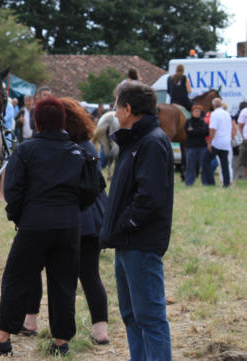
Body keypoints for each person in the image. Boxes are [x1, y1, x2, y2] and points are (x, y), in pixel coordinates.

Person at [0, 97, 88, 357]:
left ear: (37, 121)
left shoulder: (26, 150)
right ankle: (61, 342)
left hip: (35, 223)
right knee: (64, 283)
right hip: (68, 224)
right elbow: (91, 188)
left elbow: (13, 190)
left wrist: (19, 217)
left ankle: (3, 339)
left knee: (16, 278)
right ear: (62, 121)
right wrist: (72, 209)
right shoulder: (77, 151)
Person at [21, 98, 110, 345]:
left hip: (61, 218)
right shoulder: (87, 146)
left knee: (37, 269)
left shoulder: (56, 148)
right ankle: (100, 330)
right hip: (91, 219)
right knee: (90, 275)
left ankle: (30, 321)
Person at [100, 80, 174, 361]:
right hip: (127, 243)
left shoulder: (151, 142)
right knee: (132, 315)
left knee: (150, 317)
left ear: (128, 108)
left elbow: (150, 197)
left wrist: (125, 225)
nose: (114, 111)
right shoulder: (136, 141)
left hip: (140, 243)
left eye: (116, 105)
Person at [202, 98, 233, 187]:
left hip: (217, 142)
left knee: (205, 161)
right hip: (226, 142)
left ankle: (210, 182)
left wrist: (210, 141)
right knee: (224, 164)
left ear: (213, 105)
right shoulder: (227, 113)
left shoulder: (214, 114)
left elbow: (213, 129)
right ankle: (226, 183)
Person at [184, 105, 210, 186]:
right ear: (192, 112)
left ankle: (205, 182)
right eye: (196, 111)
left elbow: (206, 132)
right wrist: (199, 131)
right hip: (191, 147)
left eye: (199, 111)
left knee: (204, 165)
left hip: (202, 147)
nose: (197, 113)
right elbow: (188, 132)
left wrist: (194, 130)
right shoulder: (188, 122)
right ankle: (189, 183)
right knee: (190, 166)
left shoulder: (203, 121)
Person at [238, 102, 247, 178]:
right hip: (246, 139)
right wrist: (242, 137)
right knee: (245, 161)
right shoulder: (244, 111)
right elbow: (240, 126)